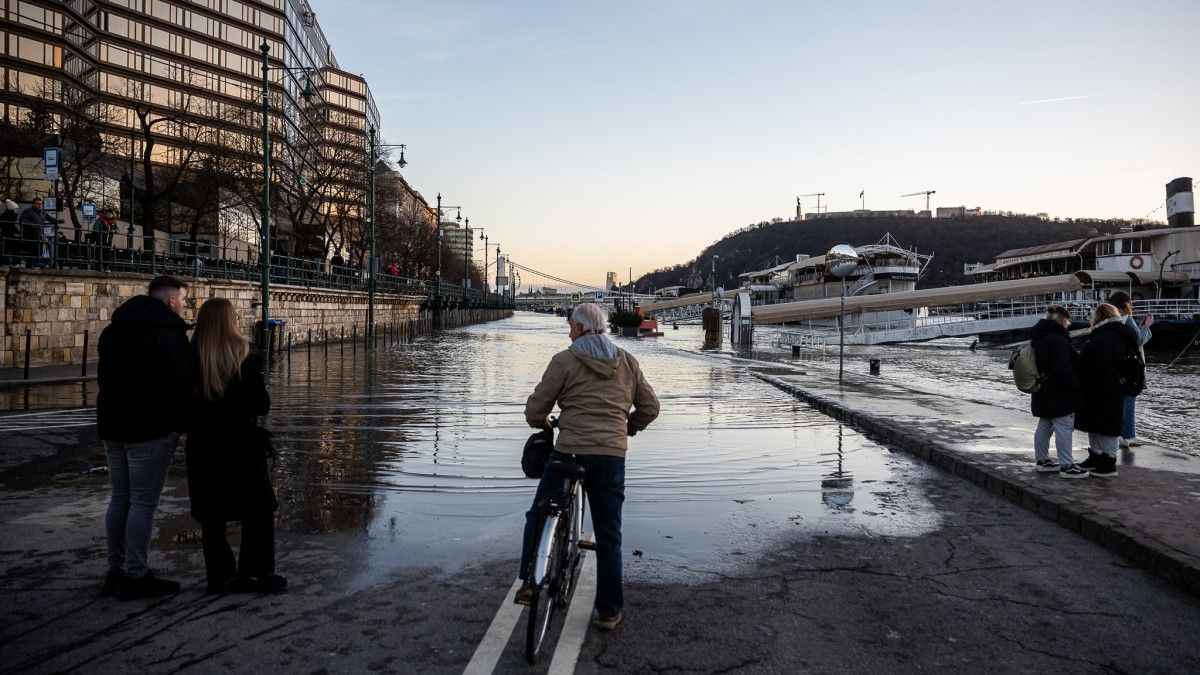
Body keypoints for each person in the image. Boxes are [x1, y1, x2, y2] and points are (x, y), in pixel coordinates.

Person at [519, 303, 660, 630]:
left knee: (538, 513)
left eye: (571, 327)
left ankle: (528, 580)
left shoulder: (564, 360)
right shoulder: (627, 362)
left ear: (581, 328)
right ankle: (609, 611)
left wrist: (543, 423)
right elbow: (651, 407)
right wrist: (628, 427)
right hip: (611, 454)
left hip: (568, 451)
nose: (569, 333)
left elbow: (535, 410)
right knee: (609, 534)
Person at [97, 275, 192, 599]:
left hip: (113, 427)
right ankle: (136, 574)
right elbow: (180, 388)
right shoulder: (170, 336)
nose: (185, 306)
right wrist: (181, 425)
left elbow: (105, 380)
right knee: (142, 504)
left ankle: (116, 570)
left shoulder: (112, 331)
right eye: (183, 300)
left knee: (120, 499)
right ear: (170, 300)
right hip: (151, 431)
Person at [187, 298, 285, 595]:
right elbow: (260, 405)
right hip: (241, 443)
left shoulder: (191, 357)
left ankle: (219, 575)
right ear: (230, 321)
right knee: (258, 508)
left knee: (211, 512)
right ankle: (254, 573)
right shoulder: (243, 357)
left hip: (203, 445)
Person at [1074, 302, 1139, 478]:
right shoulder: (1118, 333)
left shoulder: (1105, 335)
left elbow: (1097, 362)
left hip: (1103, 386)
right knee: (1103, 423)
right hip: (1111, 386)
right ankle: (1099, 458)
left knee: (1105, 425)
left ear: (1099, 317)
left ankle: (1108, 462)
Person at [1028, 305, 1087, 478]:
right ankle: (1067, 465)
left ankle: (1042, 461)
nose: (1069, 324)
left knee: (1045, 425)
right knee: (1064, 426)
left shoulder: (1039, 337)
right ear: (1062, 320)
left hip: (1043, 389)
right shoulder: (1058, 340)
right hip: (1059, 391)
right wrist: (1074, 386)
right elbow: (1063, 367)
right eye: (1067, 320)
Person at [1106, 291, 1152, 448]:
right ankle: (1127, 437)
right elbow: (1138, 341)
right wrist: (1147, 327)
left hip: (1120, 367)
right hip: (1132, 367)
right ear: (1125, 305)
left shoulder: (1115, 320)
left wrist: (1139, 327)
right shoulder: (1128, 319)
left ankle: (1121, 434)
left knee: (1122, 402)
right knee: (1130, 400)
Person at [18, 197, 50, 265]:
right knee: (31, 251)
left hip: (38, 236)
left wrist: (59, 221)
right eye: (38, 204)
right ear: (33, 204)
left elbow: (50, 218)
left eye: (41, 204)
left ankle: (34, 264)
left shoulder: (43, 213)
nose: (40, 205)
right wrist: (31, 224)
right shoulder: (27, 211)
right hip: (29, 235)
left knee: (38, 251)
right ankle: (30, 265)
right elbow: (22, 220)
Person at [0, 199, 19, 265]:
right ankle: (11, 263)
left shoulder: (7, 215)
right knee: (9, 249)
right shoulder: (9, 216)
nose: (17, 210)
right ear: (12, 209)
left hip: (7, 234)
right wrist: (18, 232)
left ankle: (8, 262)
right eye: (16, 209)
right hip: (8, 235)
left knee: (7, 249)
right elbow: (11, 226)